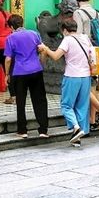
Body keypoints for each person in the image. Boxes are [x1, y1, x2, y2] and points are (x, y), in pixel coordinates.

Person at [39, 19, 93, 147]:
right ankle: (77, 137)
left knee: (66, 105)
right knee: (82, 106)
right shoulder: (85, 38)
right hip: (86, 76)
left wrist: (46, 49)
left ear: (64, 30)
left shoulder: (68, 40)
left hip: (72, 76)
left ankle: (76, 128)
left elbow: (56, 56)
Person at [4, 15, 48, 138]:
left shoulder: (11, 38)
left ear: (11, 27)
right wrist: (41, 64)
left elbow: (8, 59)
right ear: (22, 23)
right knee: (40, 100)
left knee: (21, 101)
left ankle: (22, 130)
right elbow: (43, 50)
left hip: (19, 72)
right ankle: (43, 129)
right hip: (36, 70)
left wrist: (7, 74)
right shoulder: (34, 34)